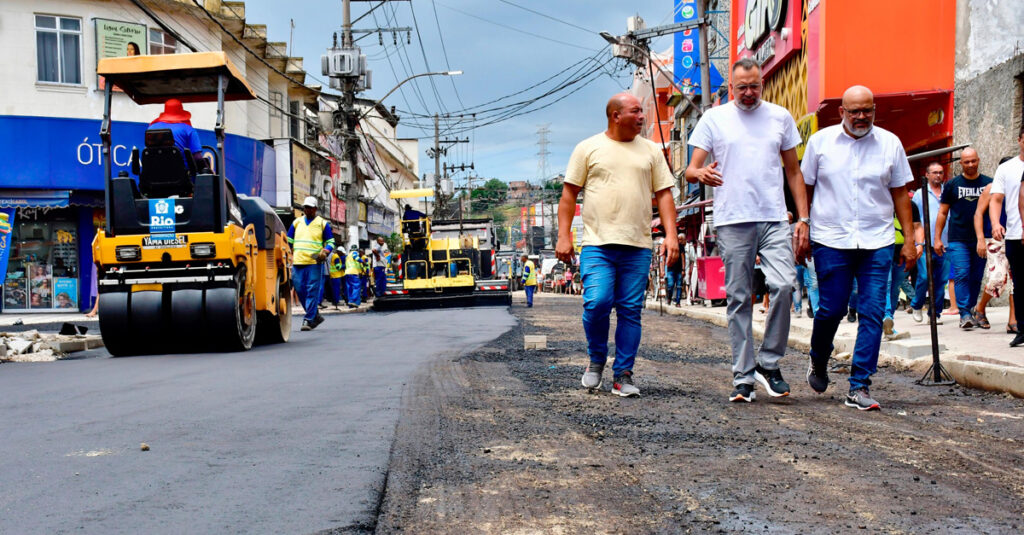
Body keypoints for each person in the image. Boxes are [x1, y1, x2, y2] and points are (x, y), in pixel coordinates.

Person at [685, 57, 809, 403]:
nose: (749, 93)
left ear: (762, 84)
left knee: (784, 285)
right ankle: (743, 376)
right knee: (739, 298)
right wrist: (702, 174)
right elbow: (690, 170)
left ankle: (769, 363)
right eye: (742, 88)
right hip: (732, 219)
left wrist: (803, 218)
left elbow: (794, 172)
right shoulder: (714, 118)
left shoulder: (780, 117)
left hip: (773, 217)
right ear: (731, 89)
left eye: (755, 86)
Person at [801, 85, 917, 411]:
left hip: (877, 240)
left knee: (873, 312)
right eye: (854, 111)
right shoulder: (820, 143)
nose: (861, 117)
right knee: (832, 309)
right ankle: (818, 358)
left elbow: (900, 196)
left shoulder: (890, 144)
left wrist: (908, 240)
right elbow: (804, 189)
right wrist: (802, 226)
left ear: (874, 110)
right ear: (842, 112)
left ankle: (859, 386)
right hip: (830, 239)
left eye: (867, 110)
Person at [558, 92, 679, 398]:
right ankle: (596, 359)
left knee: (629, 310)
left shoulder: (651, 151)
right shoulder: (588, 148)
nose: (642, 116)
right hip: (597, 244)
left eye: (642, 111)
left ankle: (622, 374)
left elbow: (664, 195)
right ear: (615, 116)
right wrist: (563, 236)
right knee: (597, 302)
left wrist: (672, 236)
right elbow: (569, 195)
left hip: (638, 246)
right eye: (636, 111)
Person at [933, 148, 990, 329]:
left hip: (982, 238)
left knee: (976, 277)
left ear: (978, 160)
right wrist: (937, 238)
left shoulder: (989, 183)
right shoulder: (952, 185)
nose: (971, 165)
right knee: (962, 274)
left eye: (973, 161)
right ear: (961, 163)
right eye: (967, 162)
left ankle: (971, 308)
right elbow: (943, 212)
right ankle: (964, 313)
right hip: (958, 238)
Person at [973, 166, 1015, 332]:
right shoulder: (991, 188)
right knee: (997, 278)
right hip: (995, 239)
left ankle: (1013, 321)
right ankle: (980, 308)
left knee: (1015, 281)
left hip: (1016, 236)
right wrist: (980, 239)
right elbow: (978, 214)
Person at [909, 163, 951, 325]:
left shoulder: (947, 192)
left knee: (941, 280)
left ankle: (935, 314)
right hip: (925, 242)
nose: (938, 176)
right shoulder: (920, 194)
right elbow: (915, 220)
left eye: (940, 172)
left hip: (945, 242)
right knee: (925, 277)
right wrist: (915, 241)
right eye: (934, 173)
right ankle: (917, 304)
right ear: (927, 175)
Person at [287, 196, 334, 331]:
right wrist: (289, 253)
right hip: (298, 261)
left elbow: (331, 242)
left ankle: (308, 320)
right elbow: (289, 239)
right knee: (300, 289)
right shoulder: (297, 222)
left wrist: (325, 251)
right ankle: (315, 315)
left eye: (310, 208)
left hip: (314, 262)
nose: (307, 210)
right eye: (305, 207)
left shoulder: (322, 223)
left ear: (315, 209)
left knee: (312, 290)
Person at [996, 126, 1024, 346]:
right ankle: (1022, 328)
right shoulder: (1008, 168)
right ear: (1019, 140)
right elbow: (996, 199)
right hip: (1016, 233)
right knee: (1021, 283)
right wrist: (996, 223)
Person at [883, 196, 921, 336]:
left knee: (895, 288)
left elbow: (917, 227)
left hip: (903, 252)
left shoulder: (910, 205)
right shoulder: (880, 202)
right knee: (886, 285)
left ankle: (889, 320)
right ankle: (887, 317)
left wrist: (919, 245)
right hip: (883, 250)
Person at [148, 98, 206, 171]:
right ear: (181, 113)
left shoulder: (151, 128)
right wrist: (207, 170)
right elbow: (197, 158)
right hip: (183, 177)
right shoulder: (189, 130)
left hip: (153, 175)